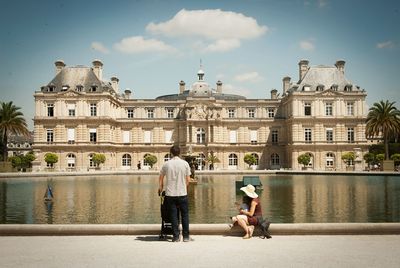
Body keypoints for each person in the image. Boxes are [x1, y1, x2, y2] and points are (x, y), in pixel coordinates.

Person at [158, 145, 191, 242]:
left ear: (171, 153)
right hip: (182, 193)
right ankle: (186, 236)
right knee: (185, 215)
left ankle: (176, 236)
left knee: (173, 215)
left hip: (170, 194)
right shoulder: (185, 164)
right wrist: (184, 188)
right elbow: (188, 180)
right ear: (180, 152)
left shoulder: (166, 164)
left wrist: (160, 188)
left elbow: (161, 178)